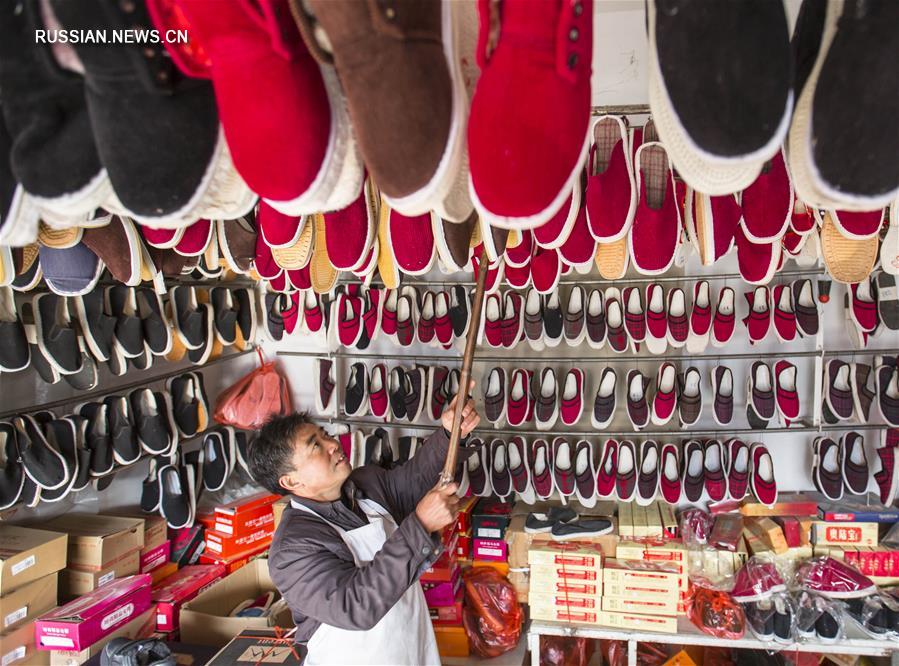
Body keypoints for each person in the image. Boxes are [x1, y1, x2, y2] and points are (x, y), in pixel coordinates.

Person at [247, 385, 480, 666]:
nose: (333, 444)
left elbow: (416, 478)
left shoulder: (367, 484)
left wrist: (449, 434)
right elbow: (355, 606)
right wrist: (419, 525)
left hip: (412, 650)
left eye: (325, 435)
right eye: (316, 446)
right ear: (291, 481)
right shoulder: (292, 550)